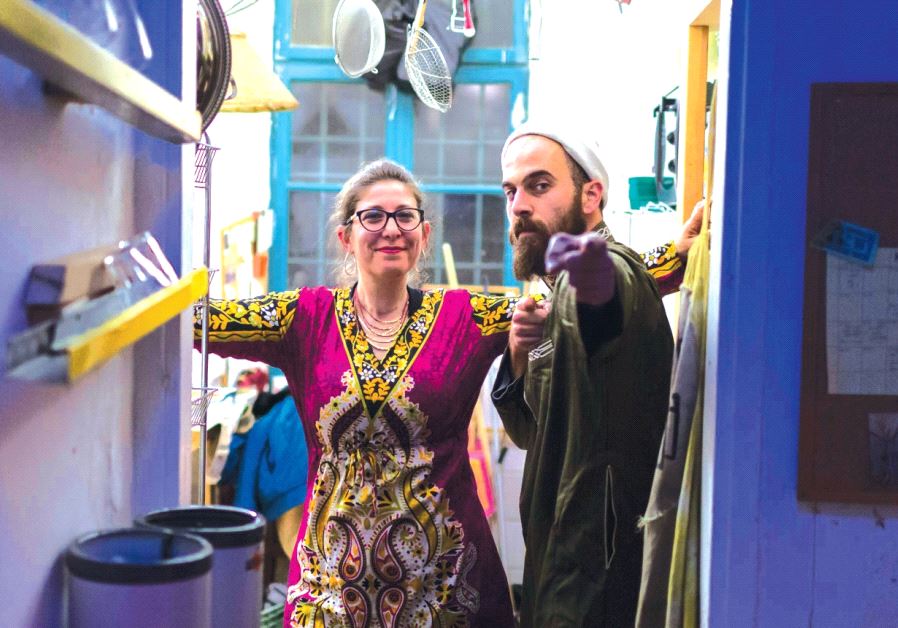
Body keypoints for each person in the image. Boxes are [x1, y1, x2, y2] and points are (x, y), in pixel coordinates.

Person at [195, 159, 519, 627]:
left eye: (404, 216)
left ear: (423, 234)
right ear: (346, 236)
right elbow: (202, 321)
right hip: (328, 592)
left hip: (444, 589)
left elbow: (568, 304)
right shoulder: (304, 319)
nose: (391, 229)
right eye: (373, 216)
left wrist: (642, 262)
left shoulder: (466, 317)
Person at [491, 121, 676, 627]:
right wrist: (518, 354)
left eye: (539, 185)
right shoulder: (554, 293)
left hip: (597, 580)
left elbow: (604, 305)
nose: (519, 205)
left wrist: (592, 283)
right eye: (511, 190)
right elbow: (530, 431)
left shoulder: (604, 271)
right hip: (557, 563)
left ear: (592, 194)